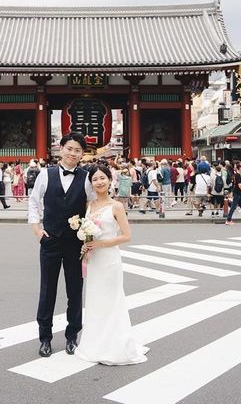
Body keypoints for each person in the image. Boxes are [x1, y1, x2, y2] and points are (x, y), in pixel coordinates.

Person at [28, 132, 95, 358]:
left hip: (76, 243)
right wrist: (37, 231)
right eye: (69, 148)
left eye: (77, 150)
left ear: (82, 154)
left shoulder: (86, 178)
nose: (73, 153)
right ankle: (45, 338)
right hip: (50, 240)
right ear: (61, 148)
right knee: (47, 290)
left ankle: (72, 336)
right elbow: (34, 202)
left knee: (75, 290)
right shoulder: (45, 174)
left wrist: (88, 234)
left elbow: (92, 207)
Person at [75, 164, 148, 365]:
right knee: (95, 301)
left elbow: (126, 236)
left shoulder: (116, 206)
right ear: (91, 183)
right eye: (95, 179)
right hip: (94, 260)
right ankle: (95, 344)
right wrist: (86, 243)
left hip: (109, 260)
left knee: (112, 301)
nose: (99, 182)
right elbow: (86, 231)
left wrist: (99, 244)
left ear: (110, 180)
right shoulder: (89, 205)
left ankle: (114, 346)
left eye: (102, 178)